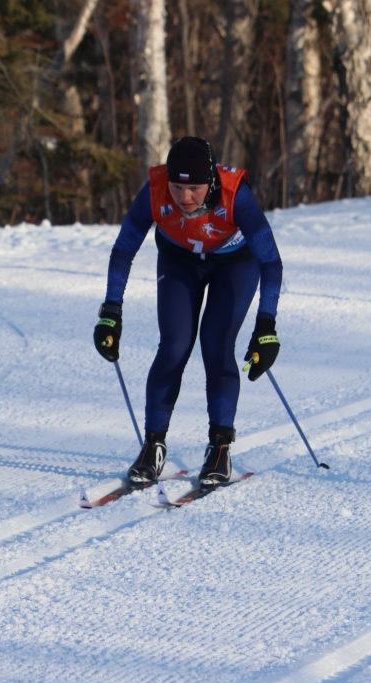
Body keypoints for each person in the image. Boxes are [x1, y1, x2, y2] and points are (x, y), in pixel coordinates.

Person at [93, 136, 282, 488]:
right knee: (175, 345)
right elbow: (123, 250)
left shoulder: (235, 193)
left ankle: (220, 447)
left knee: (217, 345)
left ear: (210, 182)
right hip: (180, 262)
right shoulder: (155, 190)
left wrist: (266, 326)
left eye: (194, 188)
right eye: (178, 187)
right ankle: (153, 445)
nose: (185, 197)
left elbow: (270, 260)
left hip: (234, 265)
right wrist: (111, 311)